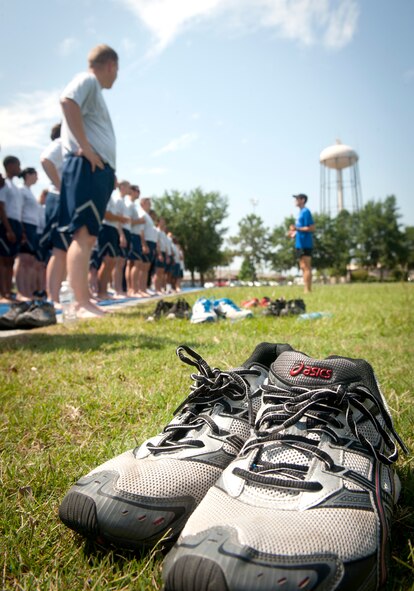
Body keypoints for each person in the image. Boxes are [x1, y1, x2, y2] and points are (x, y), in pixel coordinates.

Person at [58, 44, 118, 318]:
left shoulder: (94, 88)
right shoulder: (88, 80)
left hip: (96, 170)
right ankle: (79, 302)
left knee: (88, 236)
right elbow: (67, 101)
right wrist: (86, 147)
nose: (116, 77)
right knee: (83, 235)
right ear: (110, 65)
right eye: (116, 71)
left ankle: (83, 300)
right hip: (87, 166)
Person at [40, 122, 67, 304]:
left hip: (64, 200)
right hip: (58, 198)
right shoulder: (60, 143)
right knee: (59, 250)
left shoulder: (67, 146)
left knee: (64, 250)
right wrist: (60, 186)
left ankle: (58, 295)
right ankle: (53, 297)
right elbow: (45, 160)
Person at [15, 167, 40, 298]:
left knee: (30, 260)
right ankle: (21, 292)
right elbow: (18, 209)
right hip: (25, 225)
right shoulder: (21, 190)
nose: (37, 178)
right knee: (23, 259)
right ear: (29, 174)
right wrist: (22, 230)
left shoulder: (30, 192)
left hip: (33, 227)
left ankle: (28, 291)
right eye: (36, 174)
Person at [0, 156, 23, 300]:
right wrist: (8, 228)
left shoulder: (15, 187)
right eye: (17, 165)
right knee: (3, 259)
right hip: (6, 223)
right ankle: (3, 293)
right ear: (9, 165)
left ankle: (8, 291)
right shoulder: (3, 184)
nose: (19, 168)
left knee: (11, 260)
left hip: (16, 223)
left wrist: (21, 230)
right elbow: (1, 207)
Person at [289, 193, 315, 293]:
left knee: (307, 266)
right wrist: (293, 233)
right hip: (299, 243)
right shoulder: (299, 213)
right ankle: (306, 288)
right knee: (302, 267)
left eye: (297, 198)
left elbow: (312, 228)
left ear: (302, 200)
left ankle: (308, 289)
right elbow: (299, 229)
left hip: (306, 243)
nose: (295, 200)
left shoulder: (306, 212)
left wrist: (297, 228)